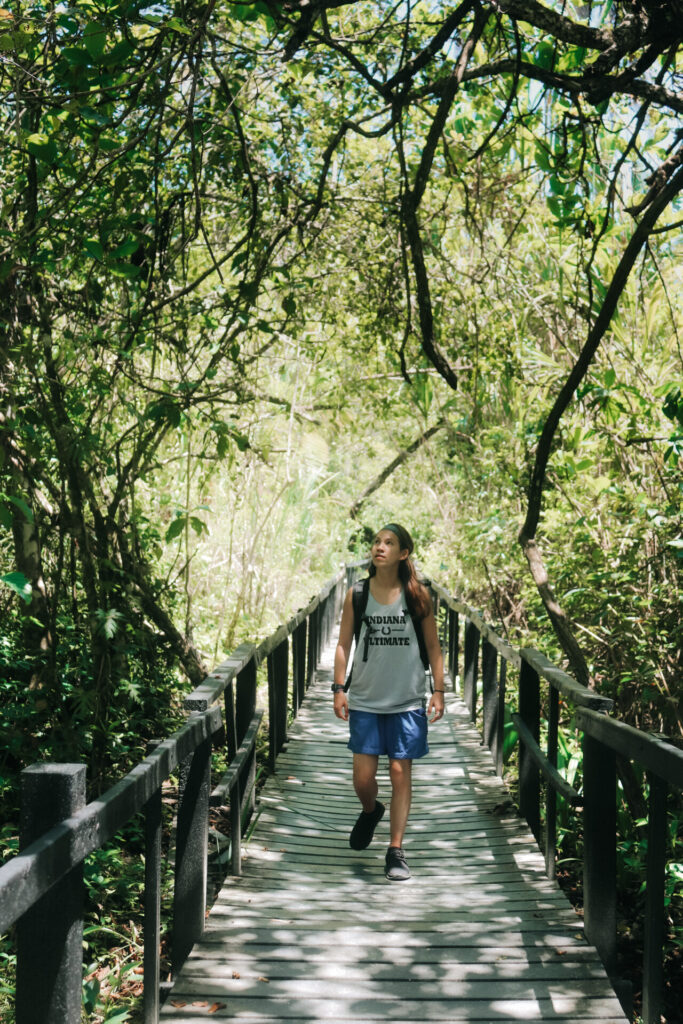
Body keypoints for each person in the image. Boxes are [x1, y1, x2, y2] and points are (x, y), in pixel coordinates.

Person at [332, 523, 445, 881]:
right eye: (377, 542)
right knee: (363, 778)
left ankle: (396, 850)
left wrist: (439, 691)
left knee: (399, 772)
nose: (380, 547)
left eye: (389, 542)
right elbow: (343, 644)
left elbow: (433, 648)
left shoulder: (418, 596)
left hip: (407, 699)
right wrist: (338, 688)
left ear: (404, 553)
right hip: (365, 697)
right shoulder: (358, 594)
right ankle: (370, 811)